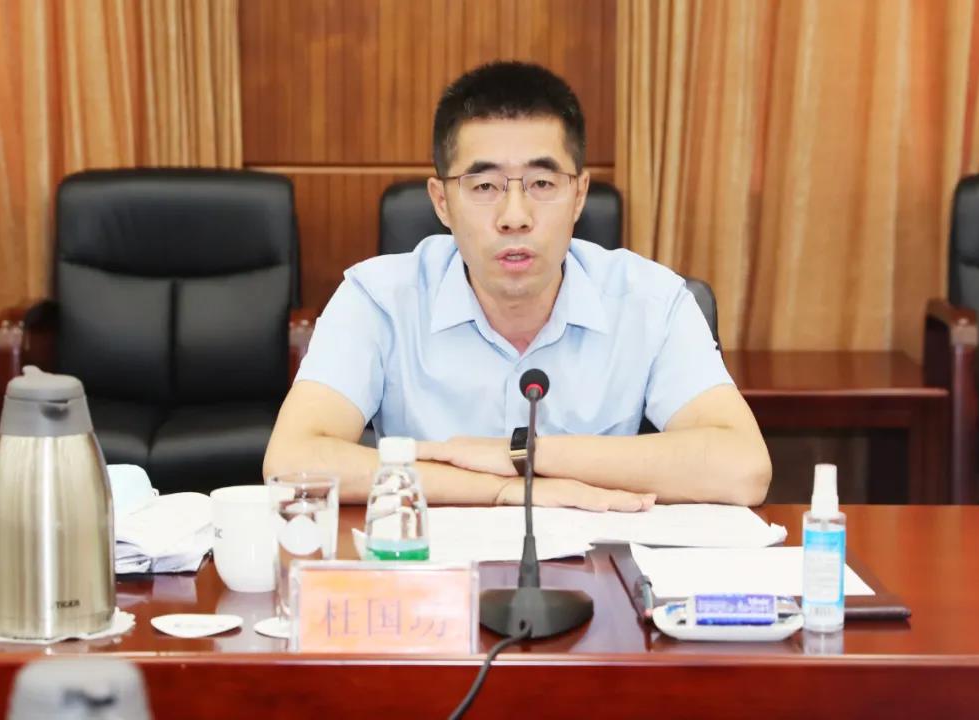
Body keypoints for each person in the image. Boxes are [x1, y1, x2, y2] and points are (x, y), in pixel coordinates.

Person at [264, 61, 771, 511]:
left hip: (596, 574)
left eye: (542, 184)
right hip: (432, 573)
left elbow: (743, 467)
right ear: (441, 202)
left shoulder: (650, 301)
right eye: (484, 186)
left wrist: (524, 454)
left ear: (579, 195)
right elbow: (291, 461)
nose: (514, 216)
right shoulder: (378, 299)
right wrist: (502, 490)